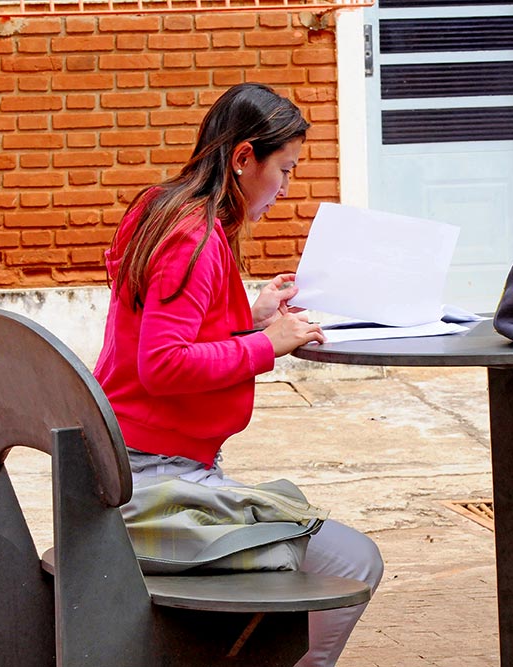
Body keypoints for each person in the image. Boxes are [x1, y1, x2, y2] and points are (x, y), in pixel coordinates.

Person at [93, 82, 384, 667]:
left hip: (130, 463)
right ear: (244, 157)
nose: (285, 188)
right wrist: (269, 344)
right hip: (157, 480)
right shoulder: (194, 237)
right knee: (356, 562)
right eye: (286, 169)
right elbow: (164, 364)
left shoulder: (164, 208)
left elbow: (157, 322)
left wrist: (245, 315)